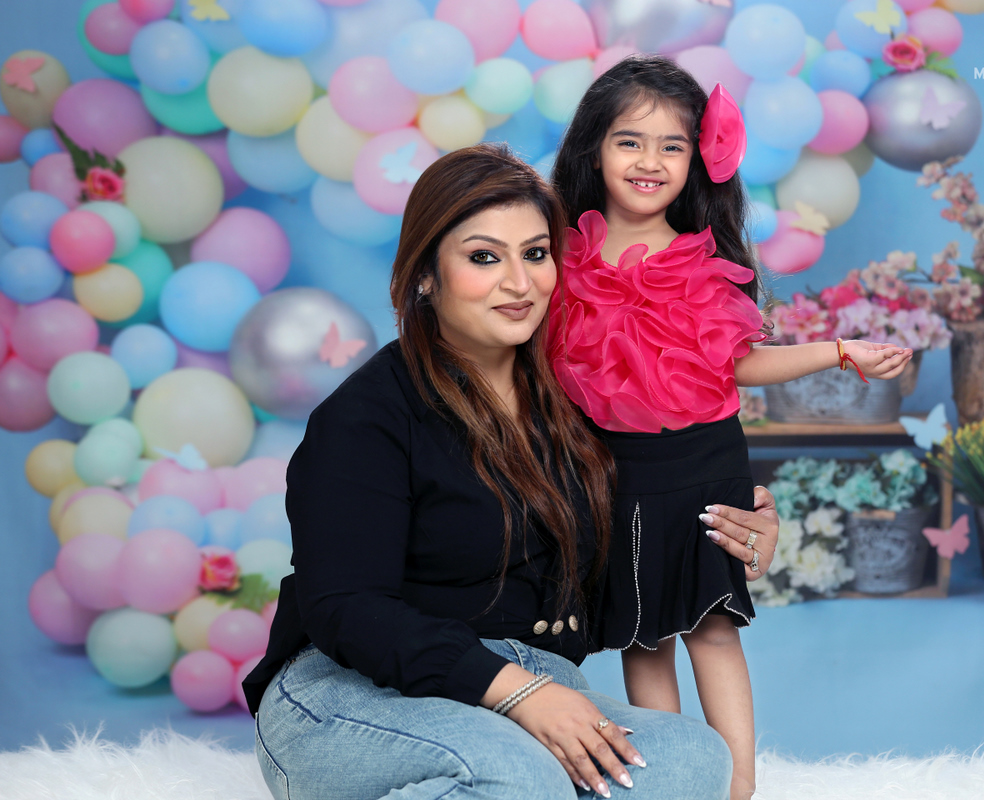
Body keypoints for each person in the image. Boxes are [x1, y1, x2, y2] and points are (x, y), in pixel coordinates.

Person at [242, 143, 782, 800]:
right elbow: (347, 610)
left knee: (692, 758)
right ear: (425, 274)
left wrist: (728, 535)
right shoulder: (367, 416)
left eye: (535, 253)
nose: (520, 283)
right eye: (484, 257)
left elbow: (636, 550)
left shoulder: (582, 399)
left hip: (530, 677)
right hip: (350, 688)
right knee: (519, 775)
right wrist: (521, 696)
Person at [549, 55, 914, 800]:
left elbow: (740, 363)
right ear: (594, 149)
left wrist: (839, 351)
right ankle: (669, 780)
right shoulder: (560, 257)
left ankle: (740, 785)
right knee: (643, 635)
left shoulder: (701, 258)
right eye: (629, 141)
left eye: (672, 146)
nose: (650, 162)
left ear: (696, 161)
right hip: (614, 468)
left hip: (706, 460)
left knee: (713, 624)